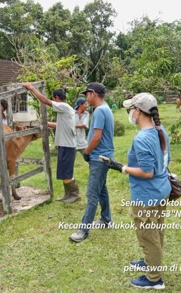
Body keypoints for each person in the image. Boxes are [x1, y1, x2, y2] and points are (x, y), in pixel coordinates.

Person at [119, 92, 171, 289]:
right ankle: (151, 261)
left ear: (138, 111)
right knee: (156, 230)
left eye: (130, 109)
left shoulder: (141, 139)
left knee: (148, 236)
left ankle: (154, 278)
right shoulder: (161, 130)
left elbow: (146, 172)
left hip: (146, 196)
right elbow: (167, 160)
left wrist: (124, 168)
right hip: (161, 190)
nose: (129, 113)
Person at [69, 82, 114, 243]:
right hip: (104, 156)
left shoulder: (100, 111)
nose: (86, 98)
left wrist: (87, 152)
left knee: (92, 193)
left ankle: (83, 230)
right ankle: (106, 219)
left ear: (93, 94)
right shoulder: (105, 108)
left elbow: (96, 137)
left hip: (99, 157)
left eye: (87, 94)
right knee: (101, 189)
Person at [22, 82, 80, 203]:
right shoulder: (66, 110)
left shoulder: (63, 107)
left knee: (67, 171)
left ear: (56, 98)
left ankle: (74, 194)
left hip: (68, 146)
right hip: (65, 145)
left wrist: (32, 88)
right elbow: (60, 126)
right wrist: (46, 123)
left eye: (54, 99)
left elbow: (45, 101)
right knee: (64, 171)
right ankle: (67, 194)